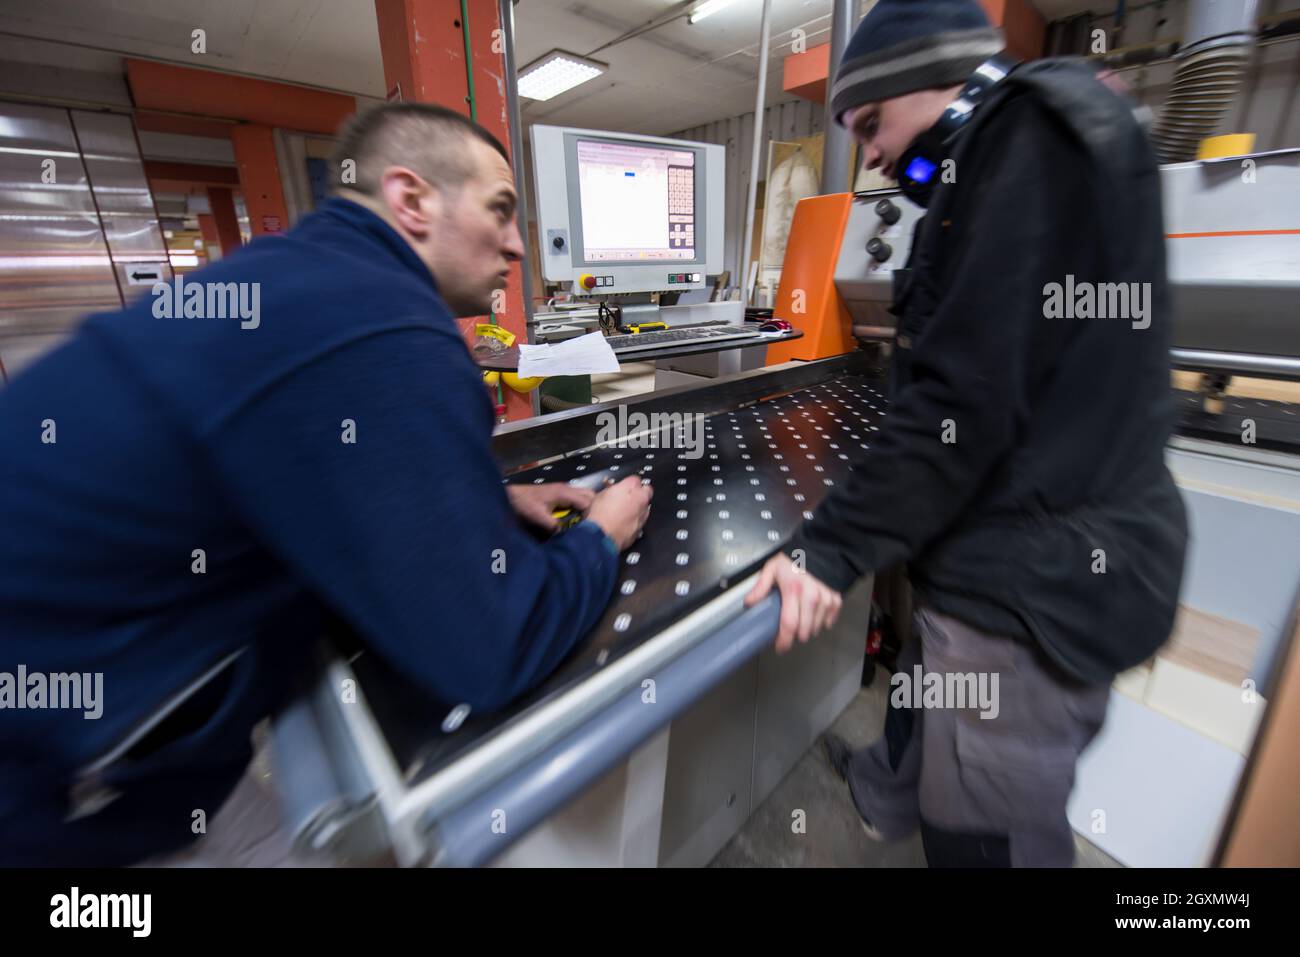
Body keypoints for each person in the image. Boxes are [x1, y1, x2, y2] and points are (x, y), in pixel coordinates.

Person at [0, 102, 651, 866]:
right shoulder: (390, 329)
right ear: (410, 200)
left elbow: (292, 462)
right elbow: (492, 645)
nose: (515, 242)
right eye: (500, 209)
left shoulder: (305, 278)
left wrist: (482, 499)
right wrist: (602, 535)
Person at [745, 0, 1187, 866]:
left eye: (873, 123)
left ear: (941, 79)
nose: (870, 154)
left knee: (987, 823)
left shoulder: (1030, 140)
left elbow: (962, 404)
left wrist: (826, 550)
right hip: (993, 545)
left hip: (1034, 583)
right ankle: (884, 791)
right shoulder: (985, 163)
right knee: (925, 672)